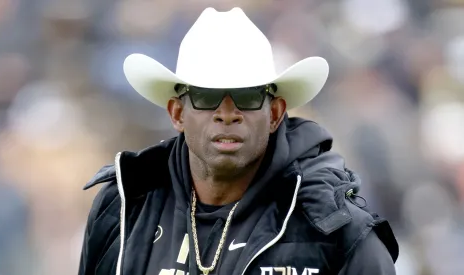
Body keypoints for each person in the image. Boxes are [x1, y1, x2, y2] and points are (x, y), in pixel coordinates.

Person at [78, 7, 399, 275]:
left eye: (246, 96)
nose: (227, 113)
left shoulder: (336, 227)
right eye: (206, 97)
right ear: (177, 113)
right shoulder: (124, 207)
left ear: (275, 113)